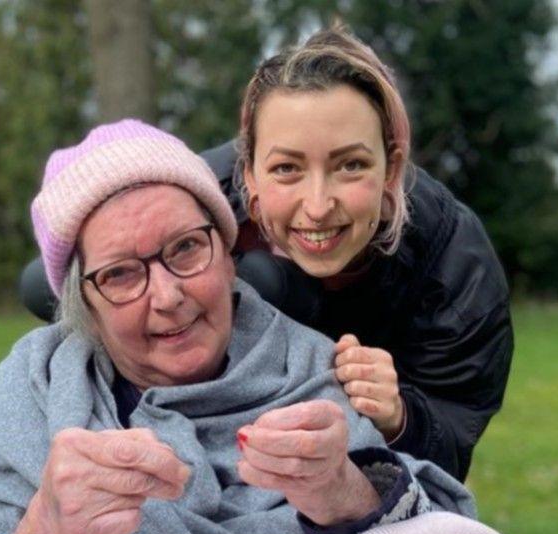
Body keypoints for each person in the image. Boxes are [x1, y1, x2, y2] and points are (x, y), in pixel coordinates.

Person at [0, 120, 493, 534]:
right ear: (86, 306)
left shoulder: (320, 374)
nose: (168, 296)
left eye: (185, 249)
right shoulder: (28, 398)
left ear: (228, 256)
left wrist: (346, 492)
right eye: (122, 274)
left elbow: (440, 532)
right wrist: (46, 531)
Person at [200, 25, 514, 481]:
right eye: (286, 168)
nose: (319, 206)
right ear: (247, 172)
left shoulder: (455, 264)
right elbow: (66, 279)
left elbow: (453, 444)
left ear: (392, 166)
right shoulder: (195, 199)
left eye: (351, 165)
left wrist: (400, 417)